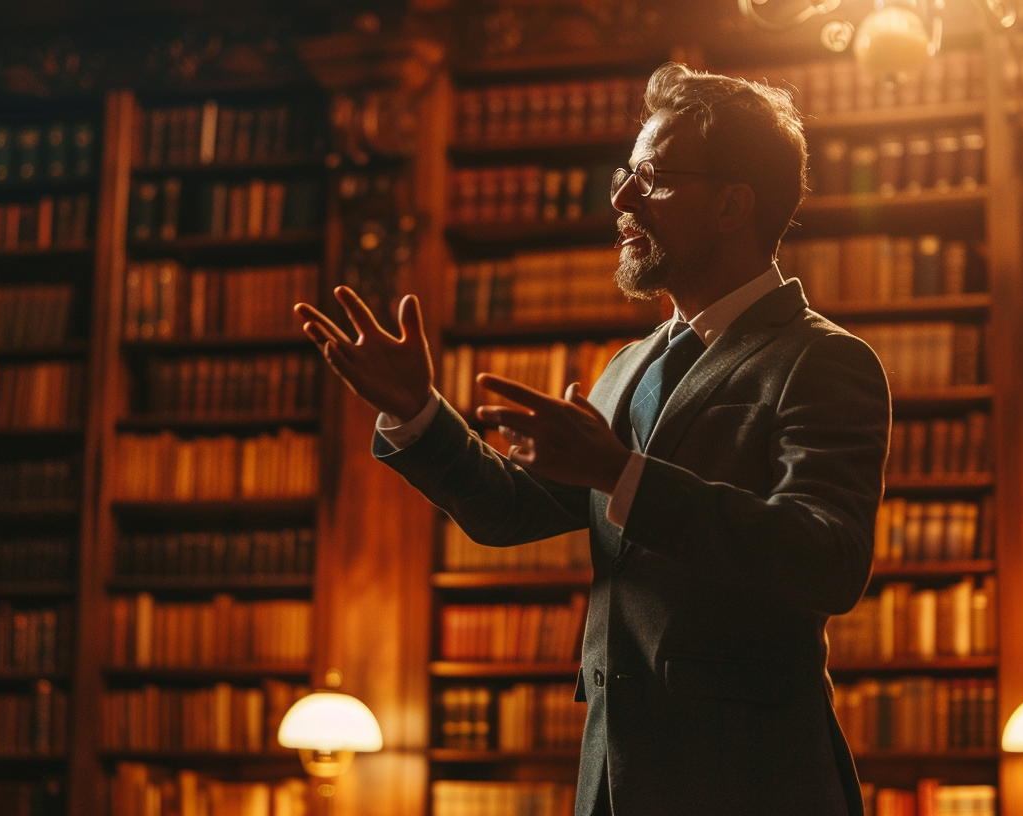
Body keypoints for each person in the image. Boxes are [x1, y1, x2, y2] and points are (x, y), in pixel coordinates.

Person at [295, 62, 890, 816]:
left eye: (652, 177)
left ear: (733, 204)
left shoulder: (823, 360)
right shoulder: (629, 366)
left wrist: (623, 474)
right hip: (612, 783)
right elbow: (511, 511)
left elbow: (826, 559)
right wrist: (418, 412)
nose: (621, 197)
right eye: (625, 174)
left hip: (753, 784)